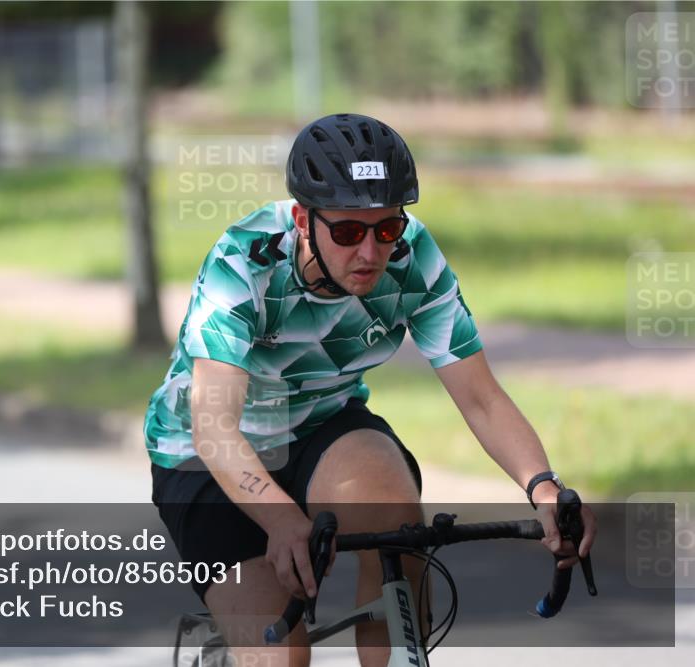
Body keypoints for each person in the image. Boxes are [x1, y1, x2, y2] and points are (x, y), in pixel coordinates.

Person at [144, 113, 597, 667]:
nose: (370, 252)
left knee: (397, 521)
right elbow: (213, 427)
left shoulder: (411, 258)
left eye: (386, 228)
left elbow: (480, 397)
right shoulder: (243, 263)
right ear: (302, 219)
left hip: (320, 425)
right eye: (348, 231)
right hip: (206, 457)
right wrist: (282, 518)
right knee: (281, 656)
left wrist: (544, 488)